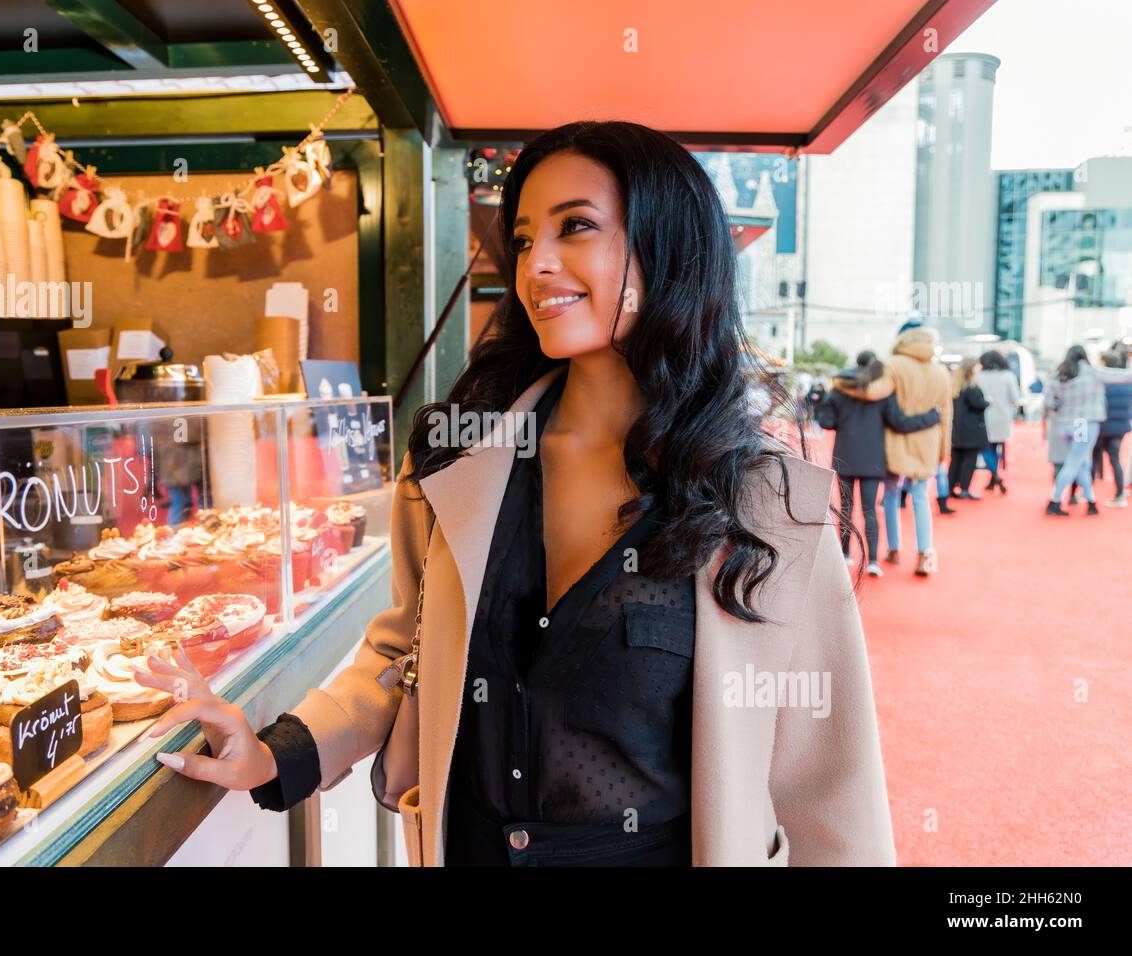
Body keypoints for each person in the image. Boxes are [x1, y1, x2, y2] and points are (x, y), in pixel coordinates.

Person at [130, 120, 896, 867]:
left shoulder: (763, 504)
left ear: (668, 248)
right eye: (526, 239)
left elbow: (829, 794)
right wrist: (277, 753)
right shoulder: (459, 458)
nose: (536, 266)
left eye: (577, 228)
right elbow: (405, 652)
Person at [836, 324, 953, 577]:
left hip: (895, 441)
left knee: (890, 495)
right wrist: (944, 450)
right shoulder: (941, 372)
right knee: (921, 497)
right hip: (928, 443)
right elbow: (947, 415)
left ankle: (893, 548)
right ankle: (925, 555)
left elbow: (873, 392)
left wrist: (839, 383)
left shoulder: (894, 365)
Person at [816, 351, 940, 577]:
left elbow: (827, 422)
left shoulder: (841, 388)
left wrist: (820, 403)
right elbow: (900, 423)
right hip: (873, 458)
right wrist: (931, 417)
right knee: (870, 509)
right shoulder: (881, 392)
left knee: (845, 508)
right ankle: (872, 560)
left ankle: (844, 554)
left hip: (845, 455)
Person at [1044, 344, 1132, 516]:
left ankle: (1091, 501)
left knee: (1083, 463)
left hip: (1064, 424)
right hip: (1083, 424)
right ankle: (1054, 500)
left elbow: (1049, 403)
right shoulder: (1093, 372)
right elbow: (1123, 376)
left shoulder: (1060, 374)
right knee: (1075, 462)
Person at [977, 349, 1021, 494]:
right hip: (1003, 416)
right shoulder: (1008, 376)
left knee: (985, 448)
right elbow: (1015, 398)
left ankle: (995, 476)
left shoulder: (979, 376)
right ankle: (993, 477)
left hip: (983, 416)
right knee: (996, 448)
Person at [1093, 349, 1132, 507]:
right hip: (1120, 427)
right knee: (1115, 460)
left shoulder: (1100, 381)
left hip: (1101, 426)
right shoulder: (1127, 382)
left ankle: (1087, 495)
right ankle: (1120, 495)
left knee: (1093, 460)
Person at [948, 359, 989, 500]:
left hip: (957, 428)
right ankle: (964, 488)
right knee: (969, 460)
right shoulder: (971, 387)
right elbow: (978, 404)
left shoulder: (955, 386)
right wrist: (988, 402)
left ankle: (949, 488)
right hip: (971, 429)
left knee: (956, 460)